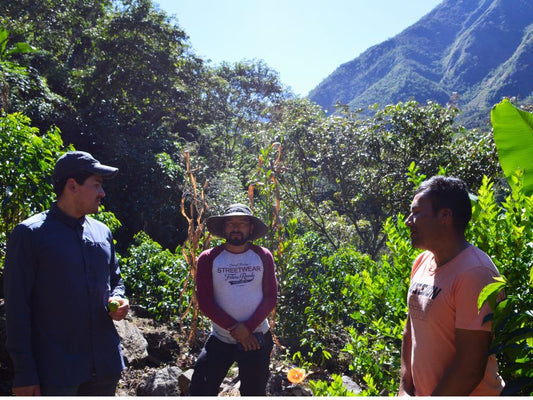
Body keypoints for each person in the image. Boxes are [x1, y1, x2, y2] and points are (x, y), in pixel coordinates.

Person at [3, 150, 130, 396]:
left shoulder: (102, 232)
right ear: (72, 186)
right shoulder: (30, 235)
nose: (102, 193)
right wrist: (24, 372)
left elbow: (116, 280)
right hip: (57, 373)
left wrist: (119, 298)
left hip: (105, 367)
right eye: (96, 185)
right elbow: (17, 309)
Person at [398, 176, 504, 396]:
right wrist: (404, 388)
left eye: (416, 213)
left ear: (445, 215)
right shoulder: (422, 261)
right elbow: (411, 330)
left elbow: (469, 370)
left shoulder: (475, 273)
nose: (408, 221)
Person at [189, 203, 278, 396]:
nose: (236, 227)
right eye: (230, 223)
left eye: (242, 223)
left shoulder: (263, 256)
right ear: (224, 228)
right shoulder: (209, 258)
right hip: (221, 338)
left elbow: (271, 297)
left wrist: (247, 330)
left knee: (253, 393)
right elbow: (205, 301)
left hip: (256, 338)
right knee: (199, 389)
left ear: (251, 228)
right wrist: (234, 328)